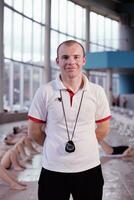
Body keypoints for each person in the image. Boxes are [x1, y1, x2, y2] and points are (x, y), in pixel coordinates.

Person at [28, 40, 111, 200]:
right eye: (65, 57)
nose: (71, 62)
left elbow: (103, 128)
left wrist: (84, 145)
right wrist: (54, 146)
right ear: (57, 61)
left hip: (89, 168)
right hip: (53, 169)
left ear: (83, 60)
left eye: (76, 57)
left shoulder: (97, 92)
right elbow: (34, 131)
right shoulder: (45, 91)